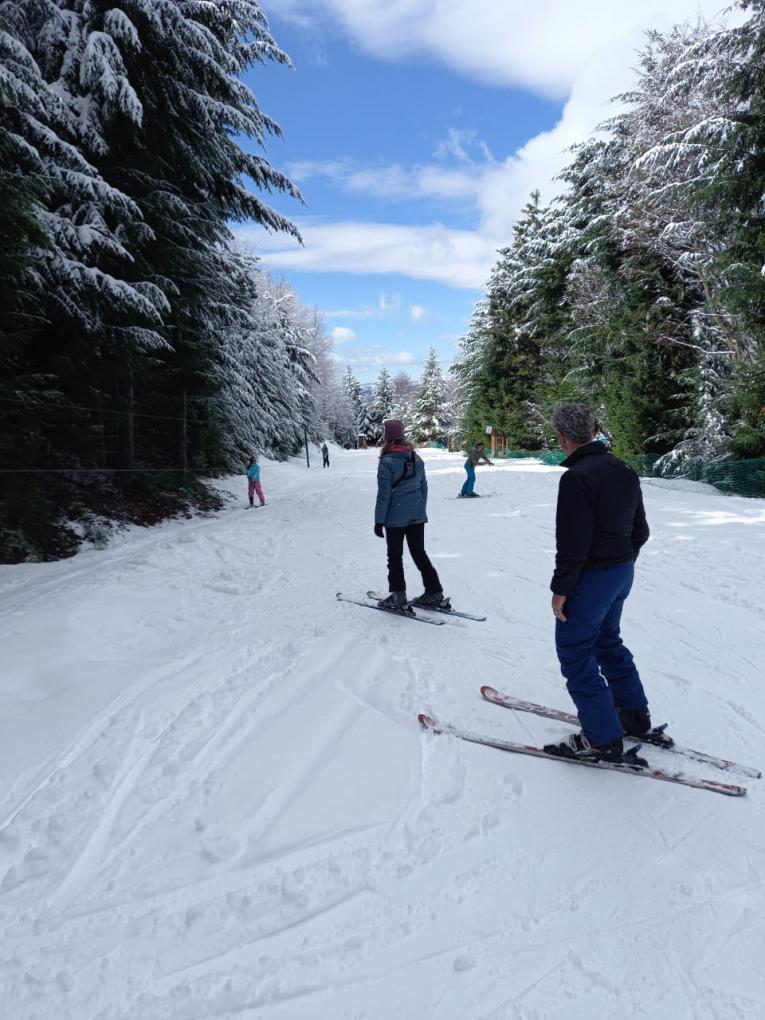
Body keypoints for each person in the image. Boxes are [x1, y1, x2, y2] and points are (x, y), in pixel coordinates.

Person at [545, 403, 651, 763]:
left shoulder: (576, 477)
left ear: (563, 437)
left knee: (575, 651)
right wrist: (622, 560)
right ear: (591, 431)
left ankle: (602, 737)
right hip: (621, 573)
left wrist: (561, 591)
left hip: (595, 578)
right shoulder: (623, 470)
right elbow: (641, 531)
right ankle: (634, 715)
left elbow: (572, 545)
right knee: (607, 640)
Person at [374, 419, 447, 611]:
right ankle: (434, 592)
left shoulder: (386, 462)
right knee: (419, 553)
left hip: (395, 517)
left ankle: (398, 595)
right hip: (417, 514)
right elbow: (424, 488)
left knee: (395, 556)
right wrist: (419, 508)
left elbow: (384, 495)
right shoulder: (416, 458)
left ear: (387, 438)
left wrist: (378, 521)